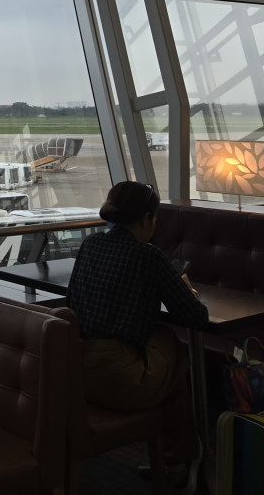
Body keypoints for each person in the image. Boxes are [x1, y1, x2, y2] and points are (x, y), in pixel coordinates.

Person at [66, 180, 208, 489]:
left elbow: (72, 301)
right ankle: (180, 458)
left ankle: (174, 458)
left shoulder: (91, 245)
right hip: (120, 381)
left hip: (77, 375)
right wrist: (186, 289)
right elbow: (196, 317)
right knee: (171, 345)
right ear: (146, 219)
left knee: (164, 352)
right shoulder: (148, 256)